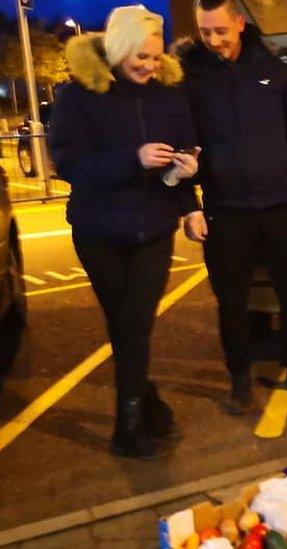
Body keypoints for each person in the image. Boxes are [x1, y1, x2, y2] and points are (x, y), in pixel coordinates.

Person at [49, 5, 200, 460]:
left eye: (156, 57)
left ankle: (127, 427)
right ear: (118, 49)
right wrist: (130, 159)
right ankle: (144, 406)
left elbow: (182, 156)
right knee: (127, 327)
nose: (150, 66)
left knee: (135, 325)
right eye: (141, 57)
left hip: (153, 227)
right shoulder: (79, 96)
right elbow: (68, 164)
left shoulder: (169, 95)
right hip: (100, 232)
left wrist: (185, 179)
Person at [177, 0, 287, 414]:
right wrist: (189, 204)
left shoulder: (273, 71)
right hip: (224, 212)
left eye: (220, 31)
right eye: (205, 32)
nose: (213, 40)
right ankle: (239, 379)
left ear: (240, 25)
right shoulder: (190, 77)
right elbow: (181, 143)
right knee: (232, 302)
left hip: (279, 204)